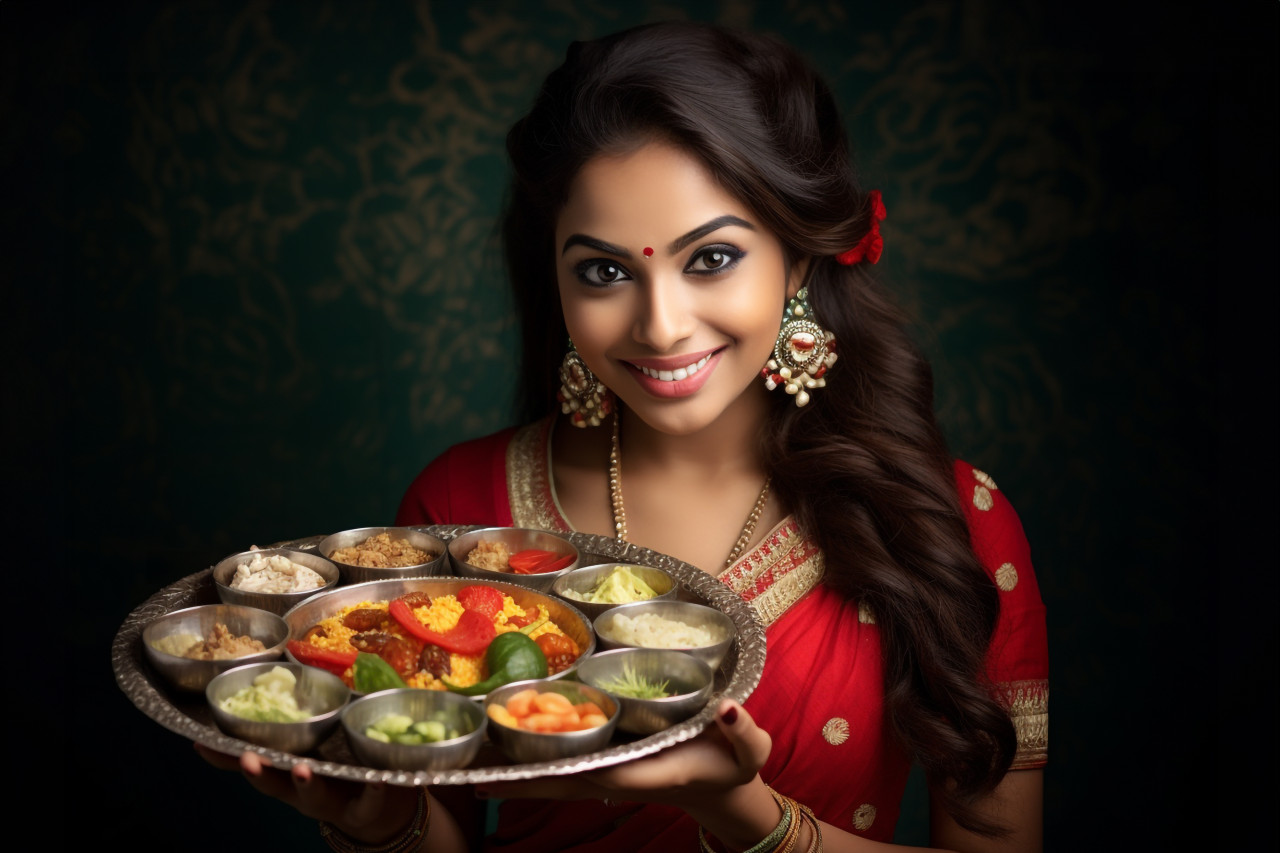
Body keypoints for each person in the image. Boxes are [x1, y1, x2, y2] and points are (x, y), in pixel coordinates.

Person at [199, 20, 1048, 852]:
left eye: (710, 258)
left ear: (796, 257)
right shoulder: (465, 507)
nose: (662, 324)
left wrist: (746, 815)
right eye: (605, 271)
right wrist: (375, 820)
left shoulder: (949, 523)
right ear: (557, 279)